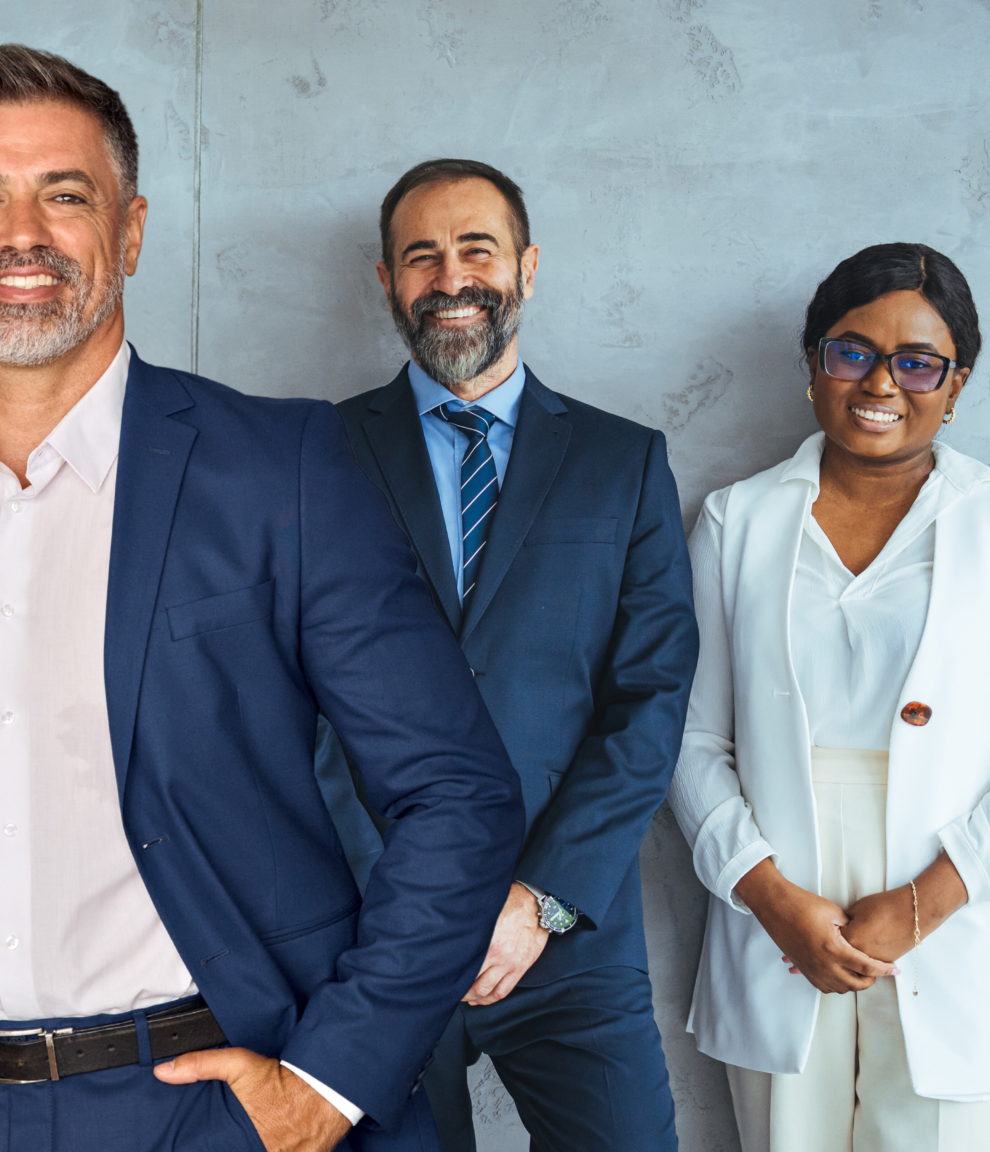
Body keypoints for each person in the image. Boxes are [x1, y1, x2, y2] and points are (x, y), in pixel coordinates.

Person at [0, 45, 527, 1152]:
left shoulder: (279, 470)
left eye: (66, 195)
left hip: (207, 1104)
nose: (22, 234)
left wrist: (326, 1085)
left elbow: (456, 795)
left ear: (130, 231)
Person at [667, 242, 990, 1152]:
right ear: (814, 362)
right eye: (853, 351)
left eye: (917, 362)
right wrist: (767, 896)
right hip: (783, 914)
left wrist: (925, 904)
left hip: (957, 908)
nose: (880, 383)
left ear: (956, 383)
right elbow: (689, 739)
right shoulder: (736, 521)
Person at [328, 159, 697, 1151]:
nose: (451, 278)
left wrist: (541, 899)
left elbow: (650, 700)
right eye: (421, 256)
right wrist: (404, 902)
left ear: (527, 268)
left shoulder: (623, 464)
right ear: (386, 281)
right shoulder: (312, 454)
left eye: (476, 250)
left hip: (570, 931)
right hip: (373, 936)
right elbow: (289, 700)